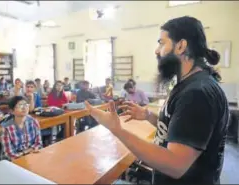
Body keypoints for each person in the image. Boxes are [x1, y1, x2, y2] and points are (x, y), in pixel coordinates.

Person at [85, 16, 229, 185]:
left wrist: (117, 130)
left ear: (181, 46)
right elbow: (179, 130)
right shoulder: (188, 84)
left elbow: (175, 164)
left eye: (162, 43)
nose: (156, 50)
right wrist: (148, 115)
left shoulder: (197, 93)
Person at [1, 96, 42, 160]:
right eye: (20, 105)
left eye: (26, 105)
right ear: (12, 111)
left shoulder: (33, 121)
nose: (24, 108)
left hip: (32, 156)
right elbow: (9, 154)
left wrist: (29, 152)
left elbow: (38, 143)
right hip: (15, 161)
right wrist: (25, 153)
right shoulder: (7, 128)